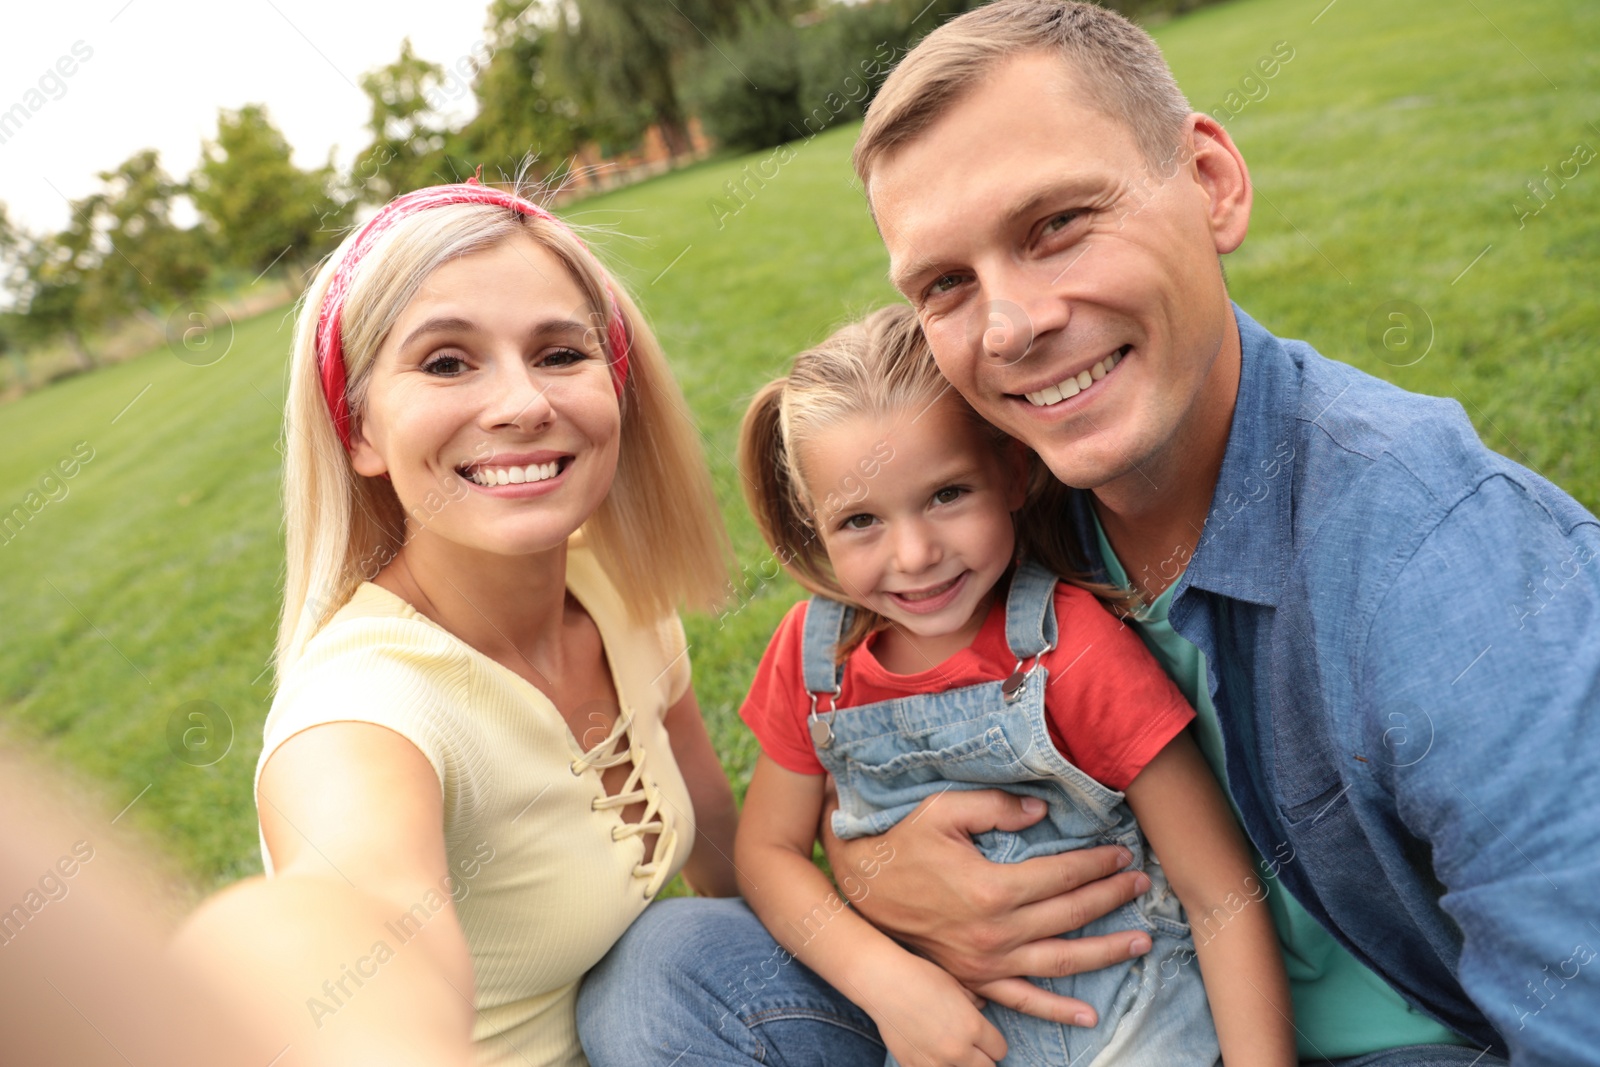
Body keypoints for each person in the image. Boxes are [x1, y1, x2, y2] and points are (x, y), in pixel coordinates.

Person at [578, 2, 1600, 1064]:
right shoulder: (998, 495)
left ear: (1210, 182)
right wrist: (873, 869)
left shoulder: (1447, 566)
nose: (1013, 326)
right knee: (666, 971)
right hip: (1020, 1014)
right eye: (946, 283)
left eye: (1056, 223)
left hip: (1375, 1042)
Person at [187, 178, 739, 1066]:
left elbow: (714, 825)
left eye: (561, 353)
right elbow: (369, 976)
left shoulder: (617, 590)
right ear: (357, 427)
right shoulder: (359, 721)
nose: (524, 403)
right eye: (447, 362)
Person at [731, 305, 1292, 1067]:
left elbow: (1217, 887)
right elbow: (767, 850)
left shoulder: (1072, 647)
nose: (916, 553)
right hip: (937, 1033)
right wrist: (884, 979)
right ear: (812, 524)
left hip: (1129, 1027)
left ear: (1011, 472)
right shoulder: (813, 657)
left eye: (946, 495)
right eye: (860, 519)